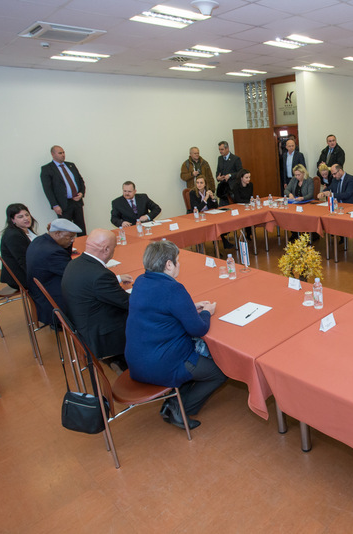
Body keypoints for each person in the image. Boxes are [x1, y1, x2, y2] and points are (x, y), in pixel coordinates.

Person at [125, 240, 227, 430]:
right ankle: (179, 409)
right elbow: (198, 329)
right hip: (162, 364)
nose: (179, 264)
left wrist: (190, 307)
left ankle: (176, 400)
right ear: (169, 264)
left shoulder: (140, 281)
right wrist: (207, 312)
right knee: (221, 371)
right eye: (177, 260)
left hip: (136, 360)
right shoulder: (173, 288)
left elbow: (160, 310)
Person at [61, 229, 132, 372]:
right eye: (114, 247)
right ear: (106, 249)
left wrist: (116, 280)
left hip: (83, 325)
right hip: (100, 335)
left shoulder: (75, 263)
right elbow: (128, 303)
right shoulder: (100, 275)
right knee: (148, 317)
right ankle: (126, 362)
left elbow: (91, 285)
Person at [26, 218, 81, 326]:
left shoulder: (40, 240)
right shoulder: (52, 252)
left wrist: (68, 242)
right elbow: (74, 274)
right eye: (70, 237)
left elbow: (65, 257)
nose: (73, 240)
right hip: (52, 302)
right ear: (57, 233)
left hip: (40, 293)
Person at [40, 145, 86, 236]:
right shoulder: (47, 169)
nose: (63, 155)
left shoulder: (71, 165)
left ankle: (83, 243)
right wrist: (55, 205)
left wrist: (81, 193)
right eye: (60, 153)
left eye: (63, 152)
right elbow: (47, 189)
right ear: (53, 154)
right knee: (66, 231)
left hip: (76, 202)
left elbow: (80, 180)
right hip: (63, 204)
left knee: (81, 228)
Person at [0, 203, 39, 290]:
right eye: (20, 217)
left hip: (30, 269)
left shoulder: (25, 229)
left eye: (27, 215)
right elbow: (23, 261)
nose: (26, 218)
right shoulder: (13, 235)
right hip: (20, 277)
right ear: (12, 220)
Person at [215, 141, 242, 206]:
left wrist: (230, 175)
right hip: (223, 189)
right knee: (222, 208)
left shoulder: (235, 159)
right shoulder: (220, 158)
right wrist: (218, 177)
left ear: (227, 149)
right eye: (219, 149)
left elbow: (240, 172)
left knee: (234, 206)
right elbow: (218, 171)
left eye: (222, 149)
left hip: (232, 188)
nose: (220, 151)